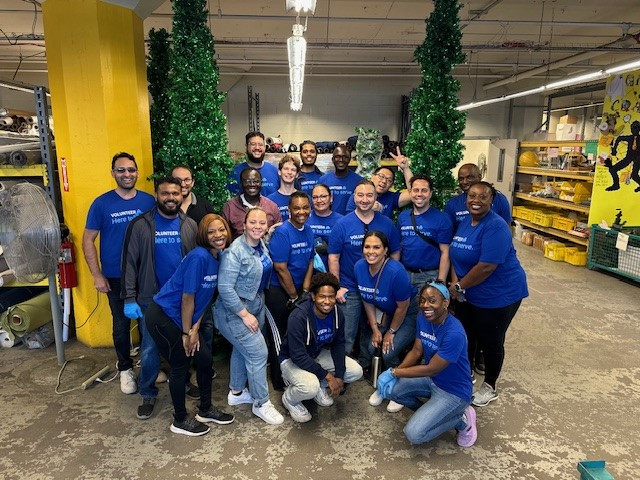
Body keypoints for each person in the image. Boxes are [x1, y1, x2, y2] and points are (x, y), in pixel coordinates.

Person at [146, 214, 234, 436]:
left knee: (204, 360)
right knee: (179, 366)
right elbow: (188, 298)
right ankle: (180, 420)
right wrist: (187, 333)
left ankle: (205, 409)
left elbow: (204, 299)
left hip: (186, 320)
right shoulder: (199, 257)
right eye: (211, 232)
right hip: (164, 316)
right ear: (203, 235)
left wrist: (195, 327)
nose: (218, 235)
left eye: (221, 229)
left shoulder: (218, 257)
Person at [121, 177, 198, 420]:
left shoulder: (189, 225)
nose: (171, 198)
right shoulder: (140, 225)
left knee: (183, 343)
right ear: (157, 195)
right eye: (165, 194)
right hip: (151, 299)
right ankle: (147, 391)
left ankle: (183, 381)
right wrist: (129, 298)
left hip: (181, 300)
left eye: (175, 193)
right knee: (150, 348)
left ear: (182, 195)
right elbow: (130, 264)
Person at [448, 181, 528, 407]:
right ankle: (466, 377)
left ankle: (490, 385)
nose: (476, 200)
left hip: (499, 294)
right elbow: (456, 254)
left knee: (490, 340)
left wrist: (460, 286)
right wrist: (456, 283)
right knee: (467, 336)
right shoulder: (465, 222)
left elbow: (487, 266)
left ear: (492, 201)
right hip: (467, 292)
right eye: (472, 196)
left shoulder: (496, 226)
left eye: (483, 197)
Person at [82, 152, 155, 394]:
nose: (127, 174)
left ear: (137, 172)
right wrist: (96, 275)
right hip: (115, 276)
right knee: (121, 325)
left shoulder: (148, 201)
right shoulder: (101, 204)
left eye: (131, 170)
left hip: (145, 275)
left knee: (147, 322)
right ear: (113, 173)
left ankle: (147, 364)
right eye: (121, 170)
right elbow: (87, 240)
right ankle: (125, 368)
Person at [376, 282, 477, 447]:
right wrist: (395, 373)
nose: (425, 305)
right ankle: (433, 414)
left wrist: (394, 372)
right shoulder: (422, 317)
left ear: (445, 303)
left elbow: (432, 368)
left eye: (432, 301)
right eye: (422, 300)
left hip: (454, 391)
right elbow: (416, 351)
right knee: (392, 390)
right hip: (432, 380)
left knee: (414, 434)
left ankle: (461, 420)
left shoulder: (454, 333)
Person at [214, 207, 285, 425]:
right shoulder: (235, 252)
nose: (257, 226)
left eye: (262, 223)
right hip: (234, 312)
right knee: (258, 354)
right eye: (252, 222)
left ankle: (236, 393)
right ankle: (261, 403)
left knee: (241, 349)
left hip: (255, 305)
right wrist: (244, 314)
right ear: (243, 225)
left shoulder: (260, 243)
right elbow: (225, 288)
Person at [328, 180, 401, 363]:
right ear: (354, 197)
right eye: (360, 195)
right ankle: (342, 370)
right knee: (346, 333)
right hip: (349, 287)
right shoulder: (342, 224)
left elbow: (395, 252)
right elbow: (333, 257)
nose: (364, 199)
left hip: (377, 289)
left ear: (376, 197)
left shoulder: (386, 223)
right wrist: (337, 286)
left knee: (371, 330)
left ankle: (366, 364)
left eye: (369, 195)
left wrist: (388, 280)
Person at [278, 272, 363, 423]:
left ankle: (320, 386)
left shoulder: (337, 313)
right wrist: (328, 376)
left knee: (356, 371)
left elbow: (338, 343)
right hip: (291, 359)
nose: (327, 301)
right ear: (313, 296)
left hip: (315, 353)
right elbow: (298, 356)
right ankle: (290, 399)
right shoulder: (298, 317)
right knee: (309, 386)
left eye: (331, 296)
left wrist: (340, 376)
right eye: (322, 296)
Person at [354, 231, 413, 413]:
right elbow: (367, 299)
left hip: (409, 313)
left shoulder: (396, 271)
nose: (371, 251)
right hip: (388, 313)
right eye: (367, 246)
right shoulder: (359, 267)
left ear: (386, 250)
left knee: (388, 351)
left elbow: (403, 307)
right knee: (373, 348)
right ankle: (384, 384)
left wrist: (391, 332)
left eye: (376, 247)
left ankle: (398, 390)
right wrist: (375, 329)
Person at [265, 192, 315, 390]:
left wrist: (304, 289)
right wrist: (294, 296)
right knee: (279, 339)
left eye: (305, 207)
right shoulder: (282, 233)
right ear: (289, 210)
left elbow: (311, 260)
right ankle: (280, 382)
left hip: (298, 292)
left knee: (295, 336)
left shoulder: (309, 230)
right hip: (279, 293)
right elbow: (280, 268)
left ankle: (296, 376)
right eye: (297, 208)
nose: (301, 212)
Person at [397, 174, 453, 313]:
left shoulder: (442, 219)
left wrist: (441, 281)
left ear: (430, 193)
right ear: (410, 193)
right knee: (403, 311)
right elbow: (398, 247)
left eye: (424, 190)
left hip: (429, 276)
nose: (419, 194)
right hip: (405, 274)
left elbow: (445, 252)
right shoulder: (403, 217)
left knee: (426, 314)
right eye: (416, 190)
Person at [345, 148, 413, 218]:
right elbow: (348, 220)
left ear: (391, 185)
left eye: (389, 180)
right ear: (372, 176)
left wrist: (405, 168)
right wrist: (367, 209)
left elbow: (414, 193)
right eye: (381, 176)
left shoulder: (391, 198)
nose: (384, 181)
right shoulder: (359, 196)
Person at [444, 163, 512, 229]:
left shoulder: (499, 199)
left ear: (479, 177)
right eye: (461, 179)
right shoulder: (453, 203)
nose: (465, 182)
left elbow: (506, 228)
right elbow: (448, 231)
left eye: (469, 177)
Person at [222, 167, 282, 239]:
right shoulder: (230, 207)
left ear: (261, 183)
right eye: (247, 181)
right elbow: (225, 237)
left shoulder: (272, 207)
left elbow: (279, 235)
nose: (252, 184)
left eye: (256, 181)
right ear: (241, 183)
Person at [229, 132, 280, 196]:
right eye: (253, 144)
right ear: (246, 146)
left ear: (264, 147)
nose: (257, 148)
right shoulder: (234, 173)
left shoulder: (275, 171)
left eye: (260, 144)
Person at [318, 145, 362, 215]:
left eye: (345, 157)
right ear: (333, 159)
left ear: (349, 159)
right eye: (337, 157)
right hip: (329, 223)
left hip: (349, 222)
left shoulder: (359, 181)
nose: (341, 160)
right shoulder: (323, 180)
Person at [307, 183, 342, 272]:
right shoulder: (305, 217)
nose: (319, 200)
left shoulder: (341, 221)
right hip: (307, 271)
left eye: (323, 196)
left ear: (331, 198)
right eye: (315, 197)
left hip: (333, 271)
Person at [604, 120, 640, 192]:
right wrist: (614, 150)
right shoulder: (630, 138)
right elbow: (619, 138)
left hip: (638, 158)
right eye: (632, 128)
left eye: (636, 128)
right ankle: (616, 185)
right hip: (629, 157)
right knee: (613, 170)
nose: (633, 130)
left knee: (634, 176)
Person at [267, 154, 301, 222]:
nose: (289, 172)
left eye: (293, 170)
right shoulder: (269, 200)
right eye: (286, 169)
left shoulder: (304, 199)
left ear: (297, 174)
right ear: (279, 172)